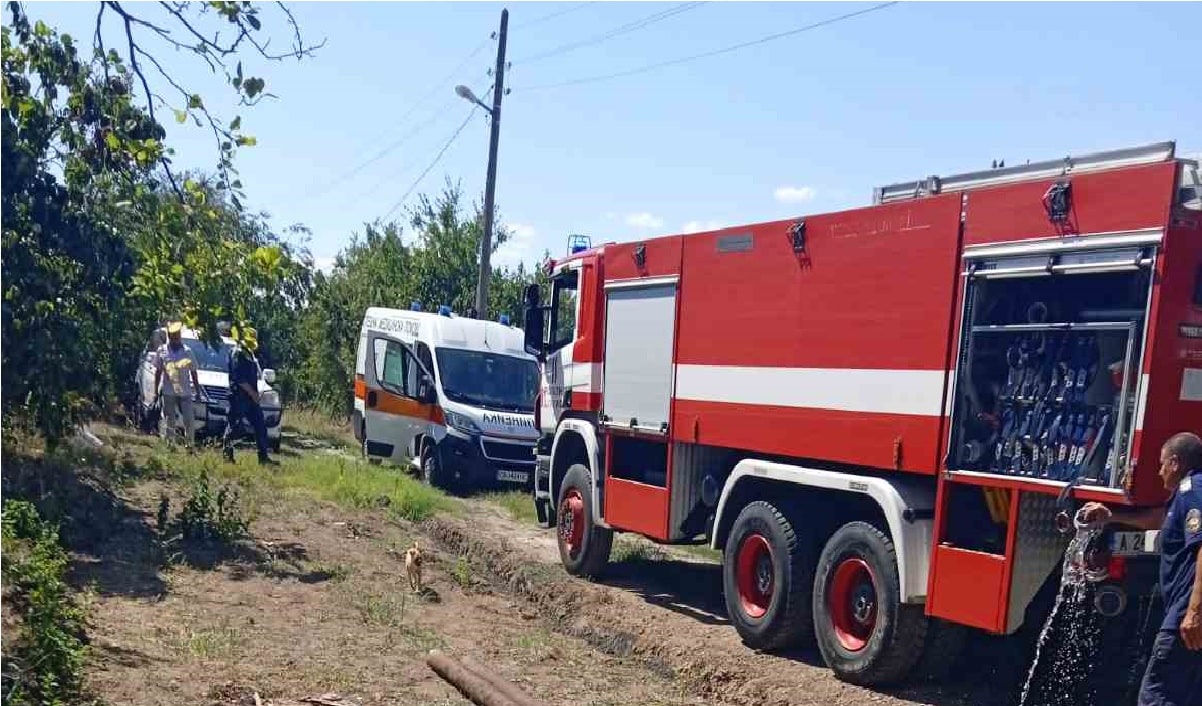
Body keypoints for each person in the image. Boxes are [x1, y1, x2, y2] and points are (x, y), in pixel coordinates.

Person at [1080, 431, 1202, 706]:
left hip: (1185, 617)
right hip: (1186, 615)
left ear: (1175, 462)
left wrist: (1194, 612)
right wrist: (1113, 516)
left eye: (1161, 464)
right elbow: (1160, 519)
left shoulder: (1193, 490)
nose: (1159, 473)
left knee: (1156, 696)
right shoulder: (1184, 496)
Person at [222, 326, 276, 465]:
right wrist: (253, 394)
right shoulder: (237, 353)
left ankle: (263, 458)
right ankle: (227, 456)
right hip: (238, 397)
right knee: (233, 427)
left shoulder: (249, 353)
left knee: (260, 426)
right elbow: (239, 379)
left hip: (251, 399)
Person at [154, 322, 203, 449]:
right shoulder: (162, 351)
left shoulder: (187, 351)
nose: (175, 339)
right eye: (173, 336)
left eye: (177, 336)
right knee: (169, 419)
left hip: (185, 391)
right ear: (169, 336)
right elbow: (158, 371)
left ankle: (190, 445)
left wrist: (197, 392)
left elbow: (194, 372)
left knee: (189, 420)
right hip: (168, 391)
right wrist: (155, 391)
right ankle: (170, 444)